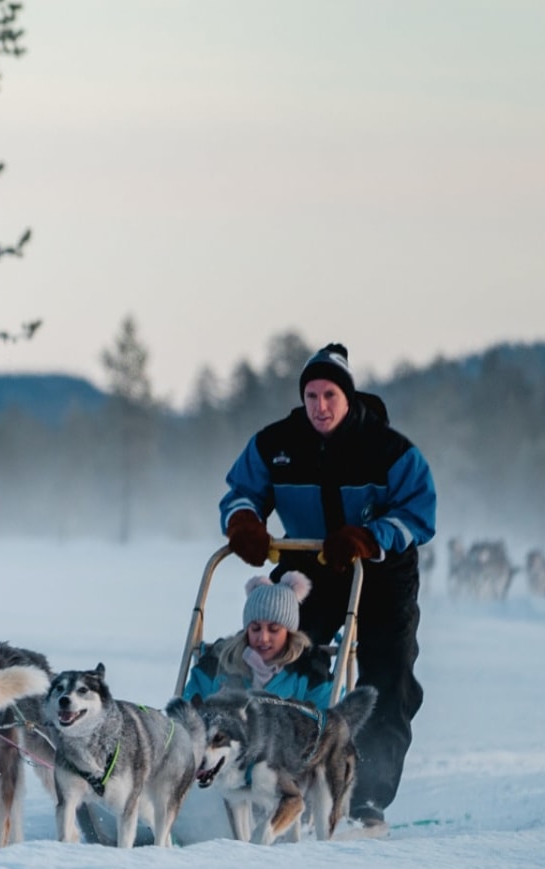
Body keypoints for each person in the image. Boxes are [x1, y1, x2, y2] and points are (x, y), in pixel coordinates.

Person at [218, 343, 436, 837]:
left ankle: (366, 800)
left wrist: (370, 537)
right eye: (311, 395)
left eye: (329, 395)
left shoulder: (388, 448)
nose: (320, 406)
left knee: (386, 681)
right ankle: (257, 772)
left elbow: (420, 511)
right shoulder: (277, 443)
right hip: (308, 567)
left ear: (348, 398)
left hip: (381, 572)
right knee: (274, 654)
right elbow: (240, 491)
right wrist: (245, 522)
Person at [184, 571, 333, 707]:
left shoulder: (310, 672)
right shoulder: (218, 662)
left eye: (273, 629)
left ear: (289, 632)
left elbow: (327, 725)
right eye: (255, 628)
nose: (263, 638)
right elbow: (187, 715)